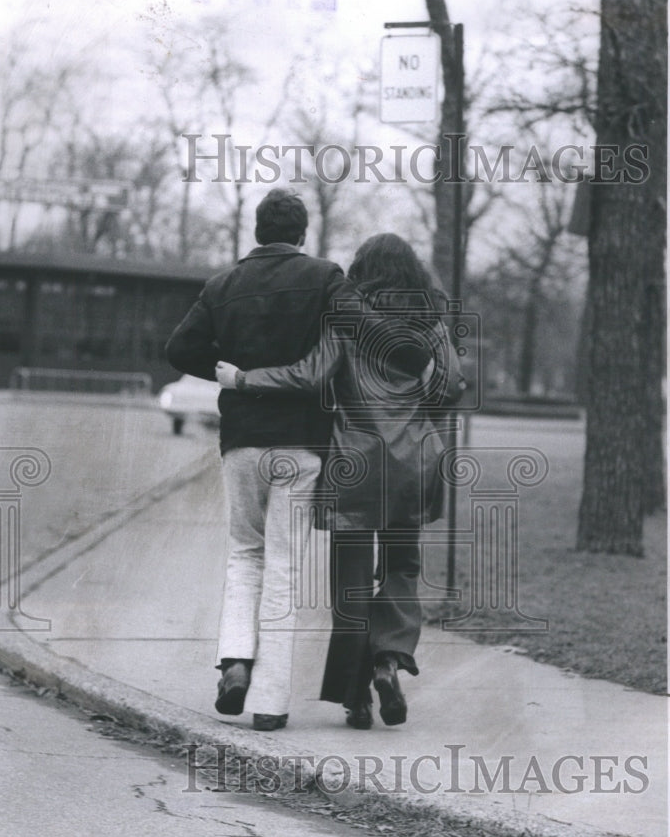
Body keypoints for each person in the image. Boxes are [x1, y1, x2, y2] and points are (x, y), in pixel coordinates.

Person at [216, 233, 464, 729]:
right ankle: (388, 660)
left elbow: (310, 375)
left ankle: (357, 699)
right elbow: (451, 386)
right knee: (402, 564)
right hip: (414, 462)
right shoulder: (432, 319)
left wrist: (244, 380)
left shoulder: (348, 319)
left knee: (350, 582)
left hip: (355, 462)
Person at [165, 189, 350, 731]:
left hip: (242, 438)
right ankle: (270, 705)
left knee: (244, 555)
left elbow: (178, 350)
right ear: (301, 233)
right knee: (284, 568)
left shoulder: (223, 284)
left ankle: (236, 661)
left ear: (256, 230)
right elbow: (347, 341)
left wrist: (228, 372)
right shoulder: (326, 277)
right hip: (301, 442)